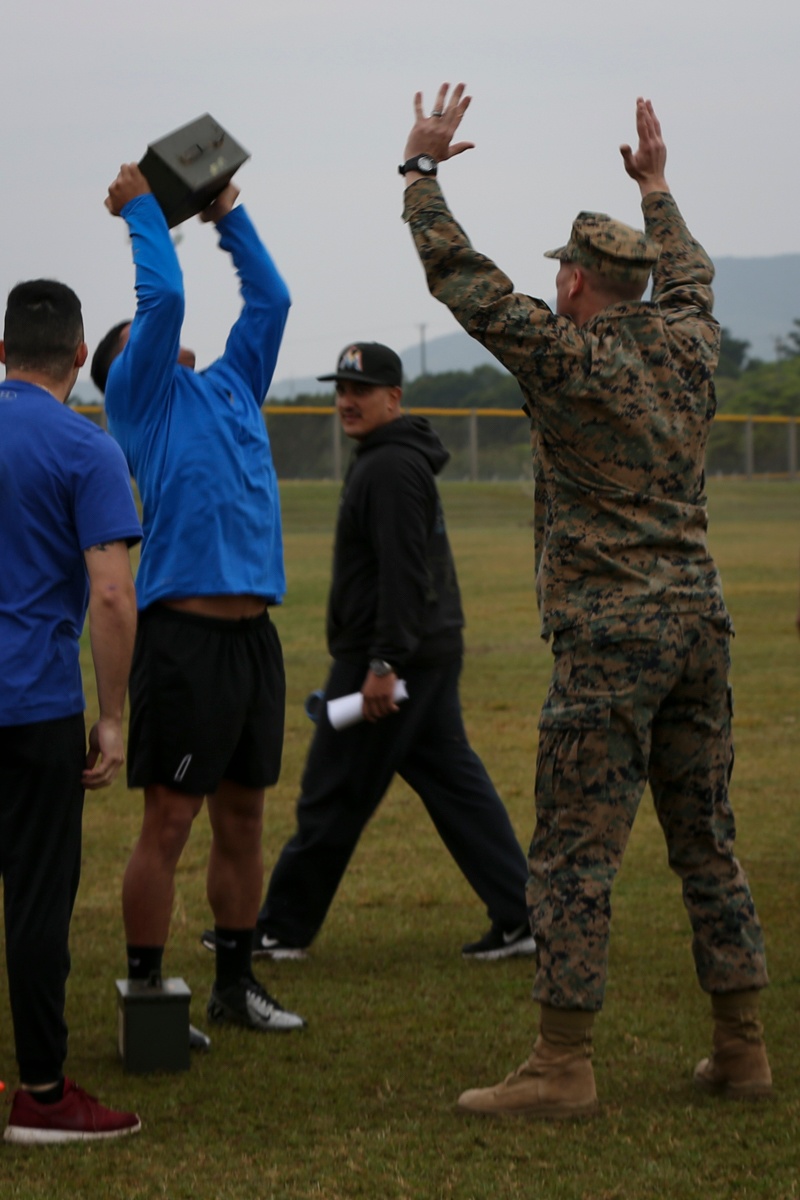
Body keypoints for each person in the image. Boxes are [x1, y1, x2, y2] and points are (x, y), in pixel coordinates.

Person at [399, 87, 771, 1117]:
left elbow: (465, 284)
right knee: (706, 842)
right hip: (698, 625)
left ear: (571, 281)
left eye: (559, 273)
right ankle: (740, 1052)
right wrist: (656, 188)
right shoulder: (690, 341)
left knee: (571, 855)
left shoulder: (564, 355)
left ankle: (560, 1069)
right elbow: (690, 276)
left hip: (609, 638)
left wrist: (419, 177)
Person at [202, 341, 534, 964]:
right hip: (423, 652)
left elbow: (404, 574)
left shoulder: (388, 467)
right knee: (456, 788)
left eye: (361, 390)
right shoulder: (389, 458)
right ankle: (524, 916)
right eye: (341, 389)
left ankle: (277, 929)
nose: (346, 401)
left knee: (333, 791)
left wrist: (383, 664)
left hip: (390, 658)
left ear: (394, 398)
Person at [92, 163, 305, 1038]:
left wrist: (228, 213)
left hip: (255, 639)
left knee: (246, 819)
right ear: (124, 369)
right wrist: (143, 210)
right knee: (170, 823)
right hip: (182, 641)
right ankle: (148, 993)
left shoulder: (229, 385)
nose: (158, 338)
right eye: (139, 339)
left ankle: (235, 982)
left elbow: (273, 302)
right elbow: (167, 299)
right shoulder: (140, 403)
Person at [0, 280, 142, 1143]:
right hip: (31, 704)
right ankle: (45, 1096)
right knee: (37, 903)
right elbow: (114, 596)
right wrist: (114, 715)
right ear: (82, 358)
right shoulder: (88, 450)